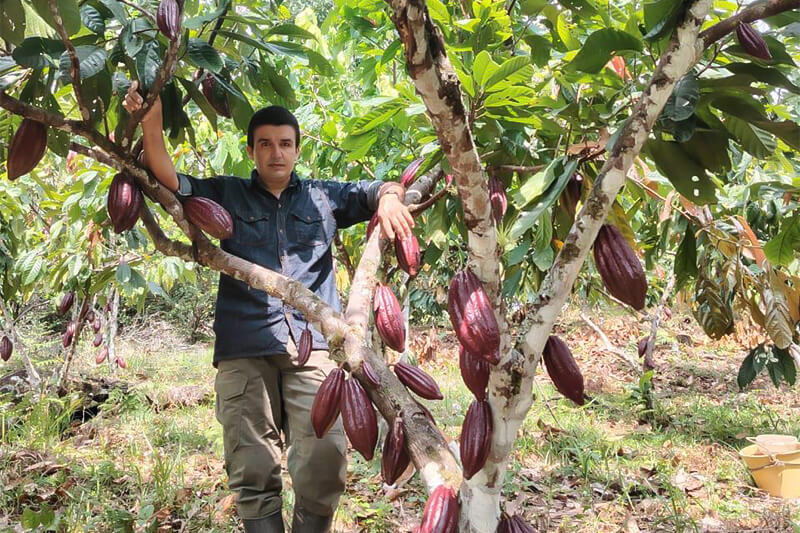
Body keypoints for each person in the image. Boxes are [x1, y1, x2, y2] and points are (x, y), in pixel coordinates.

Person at [123, 81, 414, 533]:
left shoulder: (323, 197)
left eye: (285, 144)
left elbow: (377, 188)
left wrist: (392, 197)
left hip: (314, 344)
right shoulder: (226, 194)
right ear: (251, 151)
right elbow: (169, 179)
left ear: (297, 149)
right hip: (245, 344)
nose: (276, 153)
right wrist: (152, 123)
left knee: (325, 457)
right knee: (251, 463)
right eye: (265, 144)